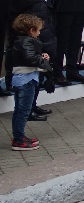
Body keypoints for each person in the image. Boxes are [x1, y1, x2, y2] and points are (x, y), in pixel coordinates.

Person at [9, 14, 53, 151]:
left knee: (20, 110)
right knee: (23, 111)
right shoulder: (26, 42)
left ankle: (19, 136)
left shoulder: (21, 42)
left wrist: (40, 56)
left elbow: (29, 56)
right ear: (31, 30)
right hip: (25, 80)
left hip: (24, 79)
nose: (39, 33)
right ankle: (19, 139)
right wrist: (44, 61)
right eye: (38, 30)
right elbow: (30, 57)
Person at [22, 0, 59, 120]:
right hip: (41, 46)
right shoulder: (38, 4)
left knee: (39, 79)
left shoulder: (42, 0)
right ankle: (29, 110)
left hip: (44, 44)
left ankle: (33, 105)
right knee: (35, 79)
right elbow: (41, 29)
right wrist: (46, 47)